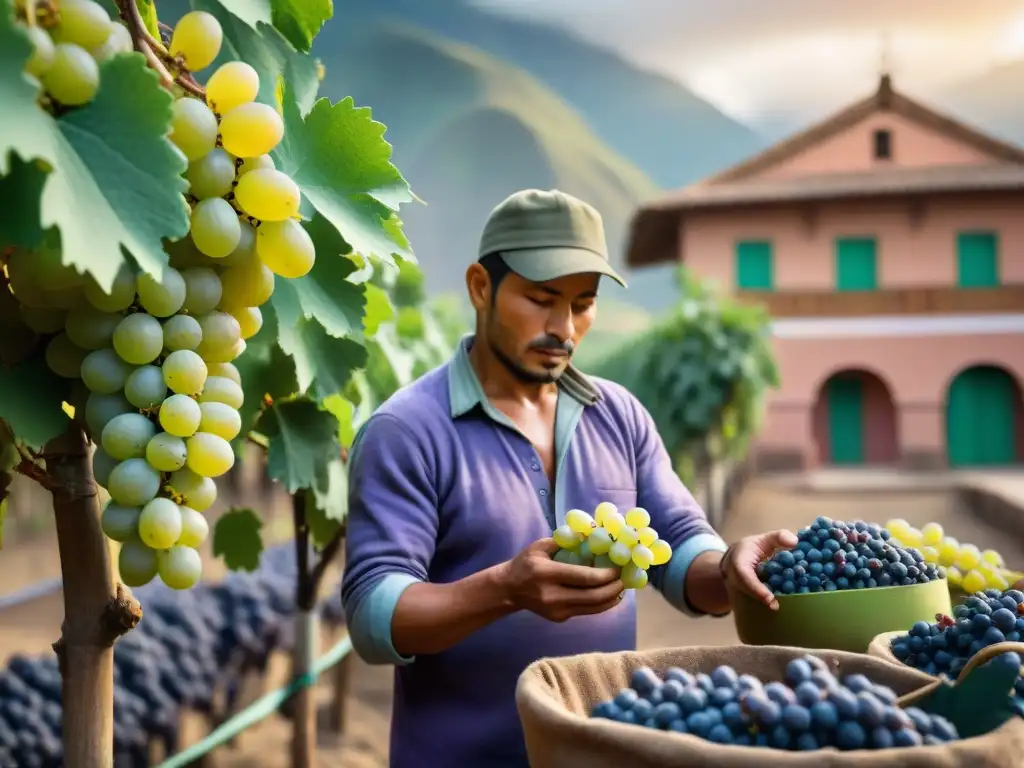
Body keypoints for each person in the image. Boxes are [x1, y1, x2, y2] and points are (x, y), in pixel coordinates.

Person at [341, 189, 797, 768]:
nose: (564, 326)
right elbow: (374, 616)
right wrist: (505, 588)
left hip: (598, 751)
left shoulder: (620, 415)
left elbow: (680, 548)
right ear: (481, 287)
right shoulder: (407, 430)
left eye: (583, 303)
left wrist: (731, 568)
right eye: (541, 298)